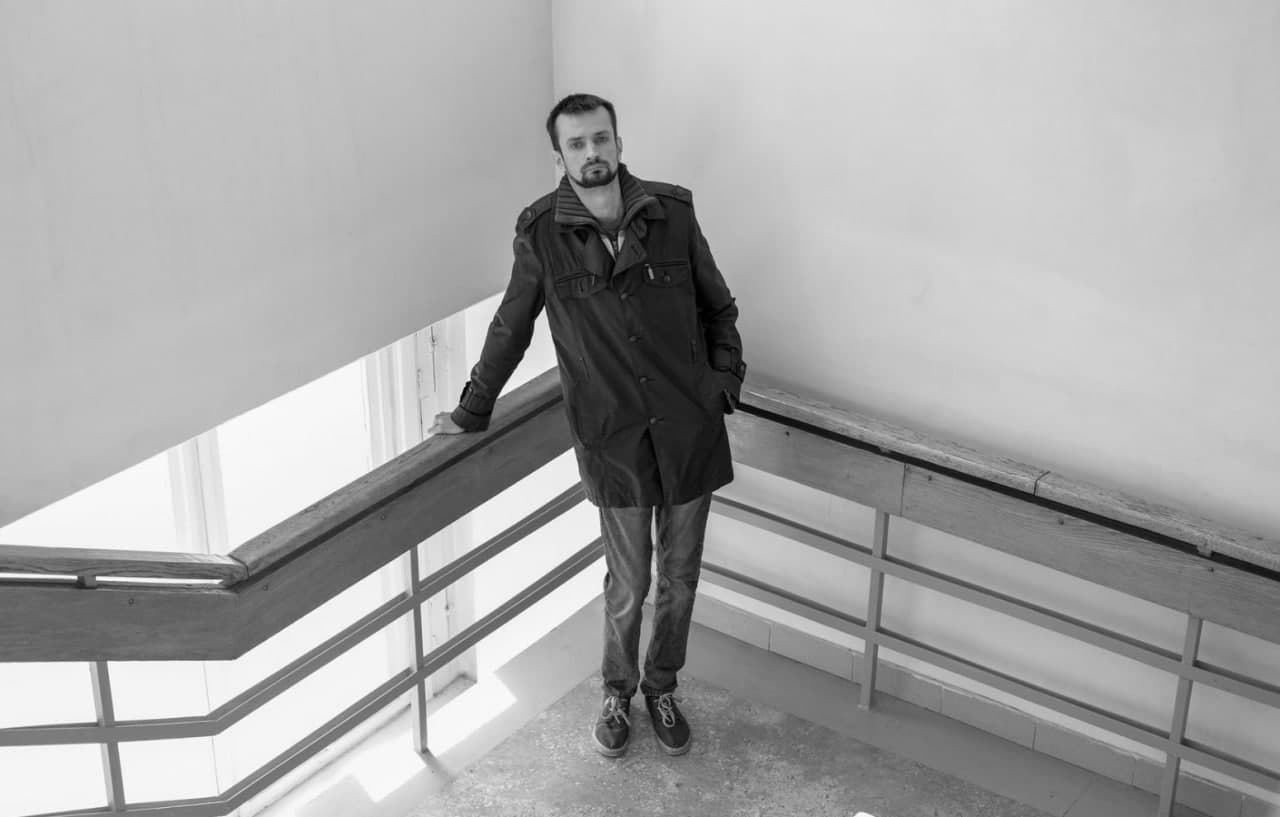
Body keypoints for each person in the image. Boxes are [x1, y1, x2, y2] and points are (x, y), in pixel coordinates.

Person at [429, 93, 746, 758]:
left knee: (681, 578)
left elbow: (719, 307)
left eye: (601, 138)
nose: (592, 152)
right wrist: (471, 408)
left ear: (618, 143)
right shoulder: (541, 234)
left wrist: (722, 382)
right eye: (577, 143)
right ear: (560, 157)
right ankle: (617, 691)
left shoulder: (672, 213)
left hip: (688, 432)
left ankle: (662, 686)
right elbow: (510, 327)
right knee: (629, 584)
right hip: (615, 442)